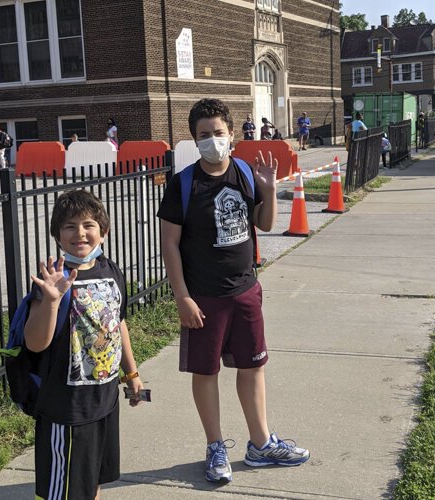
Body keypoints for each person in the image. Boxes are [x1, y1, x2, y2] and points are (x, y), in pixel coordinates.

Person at [157, 98, 309, 484]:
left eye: (218, 133)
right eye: (204, 135)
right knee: (205, 372)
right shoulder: (183, 185)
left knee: (253, 365)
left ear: (231, 134)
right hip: (204, 298)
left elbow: (265, 223)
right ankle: (215, 447)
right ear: (194, 139)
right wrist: (182, 297)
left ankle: (260, 444)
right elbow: (170, 245)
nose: (212, 141)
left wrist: (270, 190)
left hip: (245, 291)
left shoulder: (242, 171)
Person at [24, 189, 144, 500]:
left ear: (104, 232)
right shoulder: (52, 280)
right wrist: (51, 301)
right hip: (68, 410)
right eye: (70, 226)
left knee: (92, 482)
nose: (80, 233)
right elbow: (35, 344)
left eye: (89, 224)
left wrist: (131, 374)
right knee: (62, 492)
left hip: (104, 401)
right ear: (57, 235)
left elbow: (118, 323)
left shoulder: (110, 270)